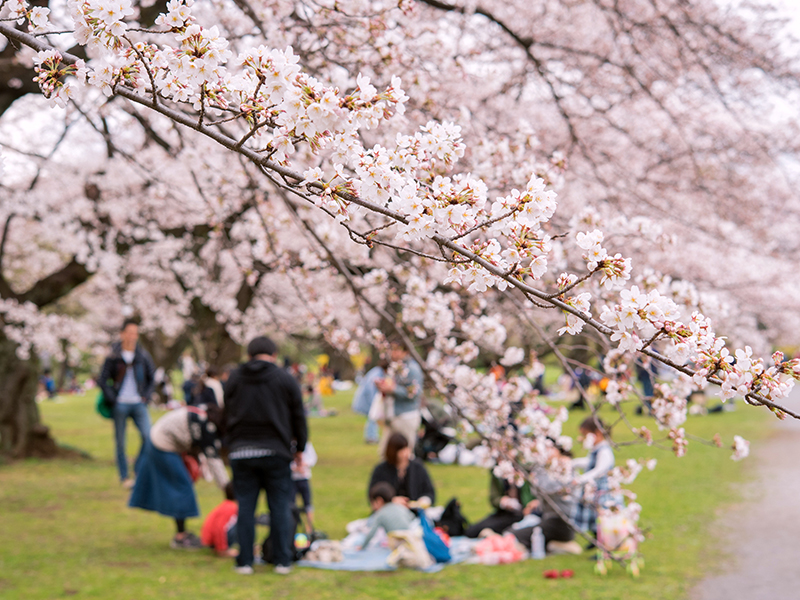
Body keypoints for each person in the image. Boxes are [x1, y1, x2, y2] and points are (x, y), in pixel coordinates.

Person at [223, 335, 308, 575]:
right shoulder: (284, 379)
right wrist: (299, 447)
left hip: (241, 451)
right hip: (276, 451)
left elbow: (226, 413)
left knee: (246, 507)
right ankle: (282, 560)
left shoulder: (235, 378)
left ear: (249, 355)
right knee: (279, 506)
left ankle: (245, 561)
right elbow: (298, 415)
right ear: (273, 355)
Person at [129, 403, 229, 549]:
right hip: (162, 444)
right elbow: (214, 462)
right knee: (182, 487)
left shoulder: (204, 416)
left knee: (181, 485)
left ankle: (181, 534)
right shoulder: (207, 428)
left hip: (162, 439)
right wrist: (228, 489)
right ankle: (180, 537)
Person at [98, 319, 156, 488]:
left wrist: (145, 396)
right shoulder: (113, 356)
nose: (132, 336)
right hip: (120, 404)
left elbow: (152, 378)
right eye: (129, 332)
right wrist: (113, 399)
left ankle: (138, 470)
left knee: (148, 436)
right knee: (120, 442)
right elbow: (102, 379)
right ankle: (124, 477)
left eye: (135, 333)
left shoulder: (143, 355)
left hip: (139, 403)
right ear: (122, 334)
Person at [509, 440, 582, 555]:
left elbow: (549, 489)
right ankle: (553, 546)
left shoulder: (564, 466)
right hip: (549, 518)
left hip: (561, 521)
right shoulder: (544, 467)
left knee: (515, 536)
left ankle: (561, 545)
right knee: (514, 532)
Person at [571, 416, 618, 539]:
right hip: (594, 490)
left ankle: (604, 543)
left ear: (597, 433)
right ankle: (596, 539)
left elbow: (598, 470)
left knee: (602, 517)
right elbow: (590, 462)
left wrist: (581, 479)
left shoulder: (604, 451)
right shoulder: (595, 449)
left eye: (586, 435)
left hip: (603, 491)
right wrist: (573, 463)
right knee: (593, 516)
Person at [375, 341, 424, 456]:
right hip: (392, 415)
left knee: (405, 454)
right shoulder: (394, 366)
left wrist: (393, 389)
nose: (393, 353)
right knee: (385, 453)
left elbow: (415, 393)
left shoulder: (412, 369)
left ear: (405, 351)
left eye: (397, 350)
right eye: (392, 350)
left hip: (406, 416)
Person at [368, 432, 435, 508]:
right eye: (401, 450)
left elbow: (429, 492)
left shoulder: (418, 467)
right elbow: (373, 496)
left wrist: (423, 501)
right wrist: (391, 501)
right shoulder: (381, 470)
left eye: (406, 448)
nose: (405, 453)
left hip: (415, 512)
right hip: (389, 512)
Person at [464, 472, 535, 538]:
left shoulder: (525, 471)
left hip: (523, 515)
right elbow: (494, 499)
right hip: (505, 513)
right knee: (471, 531)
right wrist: (502, 502)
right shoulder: (498, 472)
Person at [358, 482, 417, 550]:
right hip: (410, 538)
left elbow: (371, 532)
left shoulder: (380, 513)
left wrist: (362, 547)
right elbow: (412, 517)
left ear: (379, 501)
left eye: (373, 503)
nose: (372, 508)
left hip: (397, 541)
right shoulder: (399, 506)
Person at [351, 359, 388, 444]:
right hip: (368, 399)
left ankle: (372, 436)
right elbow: (371, 389)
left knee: (372, 418)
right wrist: (374, 403)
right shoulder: (377, 374)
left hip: (368, 399)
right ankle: (371, 437)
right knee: (372, 417)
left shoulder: (377, 371)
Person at [201, 482, 239, 557]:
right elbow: (219, 529)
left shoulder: (228, 505)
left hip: (211, 541)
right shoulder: (231, 508)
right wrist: (222, 549)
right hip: (213, 542)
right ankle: (223, 549)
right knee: (242, 523)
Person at [291, 440, 317, 535]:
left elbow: (313, 459)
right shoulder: (288, 443)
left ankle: (309, 528)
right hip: (292, 479)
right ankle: (293, 527)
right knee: (291, 505)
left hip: (304, 478)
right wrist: (295, 468)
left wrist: (303, 465)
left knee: (308, 504)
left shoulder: (306, 444)